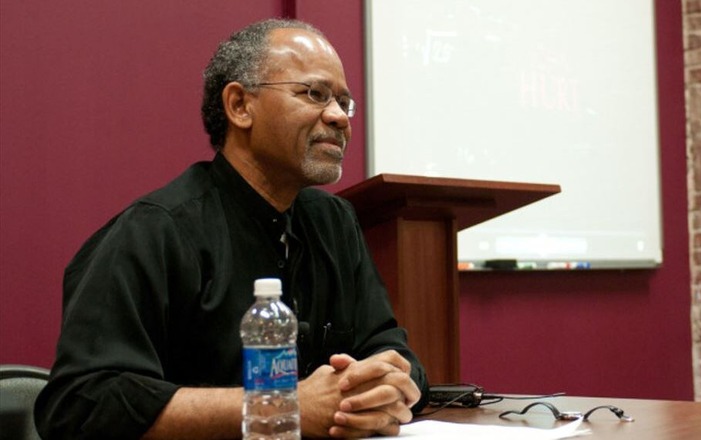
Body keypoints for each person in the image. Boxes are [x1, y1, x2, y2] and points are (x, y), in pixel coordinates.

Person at [34, 18, 429, 439]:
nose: (338, 117)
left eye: (344, 102)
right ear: (240, 105)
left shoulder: (335, 222)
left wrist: (386, 388)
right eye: (314, 94)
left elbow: (390, 350)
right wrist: (279, 407)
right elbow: (81, 402)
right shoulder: (156, 231)